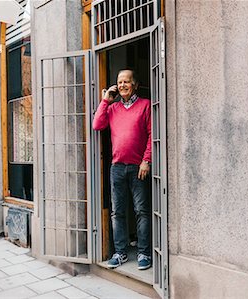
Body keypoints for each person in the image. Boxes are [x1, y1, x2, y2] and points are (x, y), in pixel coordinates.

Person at [93, 69, 152, 270]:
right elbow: (97, 125)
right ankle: (120, 253)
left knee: (141, 211)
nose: (122, 85)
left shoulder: (145, 105)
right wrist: (105, 101)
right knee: (117, 212)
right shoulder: (113, 108)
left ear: (134, 84)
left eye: (127, 81)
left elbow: (153, 134)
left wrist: (147, 160)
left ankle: (144, 252)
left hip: (138, 167)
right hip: (117, 167)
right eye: (119, 82)